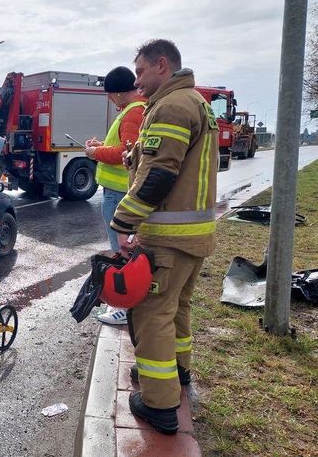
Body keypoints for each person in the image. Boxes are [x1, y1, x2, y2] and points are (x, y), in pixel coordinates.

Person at [110, 39, 218, 434]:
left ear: (160, 65)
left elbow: (161, 175)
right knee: (178, 308)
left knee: (152, 314)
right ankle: (178, 373)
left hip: (169, 237)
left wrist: (123, 222)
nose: (136, 81)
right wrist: (136, 156)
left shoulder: (171, 106)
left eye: (139, 72)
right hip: (194, 236)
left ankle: (159, 403)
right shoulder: (197, 103)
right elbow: (171, 163)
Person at [85, 66, 146, 326]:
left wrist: (95, 154)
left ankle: (122, 306)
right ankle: (128, 302)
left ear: (120, 93)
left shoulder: (133, 113)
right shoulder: (137, 109)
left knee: (119, 249)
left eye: (111, 95)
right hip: (122, 190)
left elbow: (127, 154)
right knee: (126, 247)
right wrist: (103, 147)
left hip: (118, 192)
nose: (110, 99)